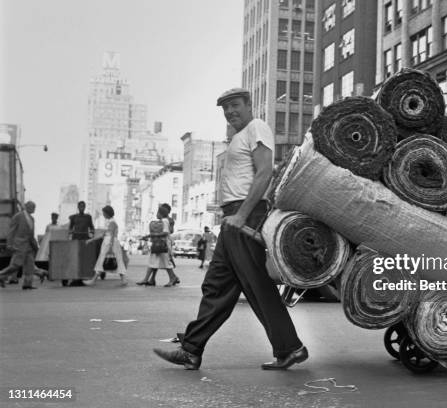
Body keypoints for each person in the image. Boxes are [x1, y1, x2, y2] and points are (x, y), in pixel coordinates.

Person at [154, 88, 306, 370]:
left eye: (235, 105)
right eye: (225, 108)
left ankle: (289, 347)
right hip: (233, 217)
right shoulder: (238, 137)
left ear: (249, 105)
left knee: (256, 286)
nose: (230, 112)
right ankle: (193, 348)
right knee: (218, 284)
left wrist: (242, 215)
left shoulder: (256, 128)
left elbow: (264, 173)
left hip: (244, 216)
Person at [0, 201, 46, 289]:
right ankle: (1, 275)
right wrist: (9, 244)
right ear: (27, 207)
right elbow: (11, 231)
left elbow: (31, 235)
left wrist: (35, 247)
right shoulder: (18, 216)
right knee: (15, 265)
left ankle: (27, 284)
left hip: (28, 246)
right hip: (19, 245)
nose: (34, 209)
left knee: (29, 265)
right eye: (33, 207)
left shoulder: (32, 219)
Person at [136, 206, 180, 287]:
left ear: (161, 213)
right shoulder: (162, 221)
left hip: (163, 245)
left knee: (165, 263)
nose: (156, 214)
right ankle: (147, 279)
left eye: (157, 212)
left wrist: (153, 234)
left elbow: (166, 232)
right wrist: (148, 236)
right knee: (153, 261)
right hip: (159, 244)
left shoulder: (165, 221)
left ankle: (172, 278)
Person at [87, 205, 127, 286]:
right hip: (110, 242)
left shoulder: (112, 222)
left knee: (102, 260)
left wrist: (110, 247)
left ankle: (93, 280)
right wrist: (91, 240)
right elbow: (103, 234)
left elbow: (111, 235)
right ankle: (123, 280)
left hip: (109, 242)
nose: (103, 214)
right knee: (118, 260)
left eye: (104, 213)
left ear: (107, 213)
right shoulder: (111, 222)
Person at [65, 201, 95, 286]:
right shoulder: (74, 217)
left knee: (84, 259)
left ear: (85, 207)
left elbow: (92, 227)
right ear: (78, 207)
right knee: (75, 258)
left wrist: (92, 235)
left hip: (85, 240)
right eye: (80, 206)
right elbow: (70, 229)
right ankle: (75, 277)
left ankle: (83, 276)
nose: (82, 207)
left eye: (83, 206)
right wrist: (70, 235)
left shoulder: (88, 217)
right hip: (75, 240)